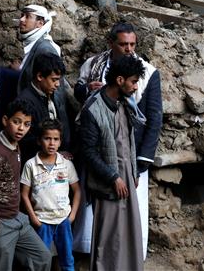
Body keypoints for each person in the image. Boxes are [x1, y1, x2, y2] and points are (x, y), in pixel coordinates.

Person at [73, 22, 162, 258]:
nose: (129, 49)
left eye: (133, 44)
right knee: (101, 217)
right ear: (111, 43)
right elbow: (79, 91)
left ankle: (128, 254)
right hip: (102, 154)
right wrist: (88, 91)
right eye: (123, 44)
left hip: (131, 157)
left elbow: (154, 118)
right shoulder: (93, 65)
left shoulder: (148, 73)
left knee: (131, 213)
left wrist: (141, 161)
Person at [79, 55, 146, 271]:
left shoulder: (125, 103)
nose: (135, 87)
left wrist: (132, 172)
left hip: (126, 178)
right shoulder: (93, 109)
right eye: (133, 82)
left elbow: (128, 142)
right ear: (119, 80)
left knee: (127, 234)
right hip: (108, 183)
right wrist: (113, 177)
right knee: (108, 240)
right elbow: (88, 152)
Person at [0, 99, 52, 271]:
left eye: (27, 124)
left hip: (18, 219)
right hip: (2, 223)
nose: (21, 128)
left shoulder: (15, 145)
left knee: (42, 257)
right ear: (5, 121)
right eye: (16, 122)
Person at [21, 119, 81, 271]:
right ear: (39, 140)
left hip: (63, 220)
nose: (51, 143)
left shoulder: (66, 164)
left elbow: (77, 191)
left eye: (55, 139)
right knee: (39, 261)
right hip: (42, 220)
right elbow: (24, 194)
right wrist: (34, 218)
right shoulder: (31, 165)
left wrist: (72, 216)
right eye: (47, 138)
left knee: (67, 260)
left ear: (60, 142)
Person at [17, 53, 73, 166]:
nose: (57, 84)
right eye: (54, 80)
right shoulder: (25, 102)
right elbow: (24, 139)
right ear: (40, 76)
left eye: (59, 80)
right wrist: (54, 152)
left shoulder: (50, 93)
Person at [17, 4, 61, 93]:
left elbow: (51, 86)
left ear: (40, 23)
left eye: (28, 16)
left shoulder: (45, 49)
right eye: (22, 15)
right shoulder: (36, 45)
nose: (21, 19)